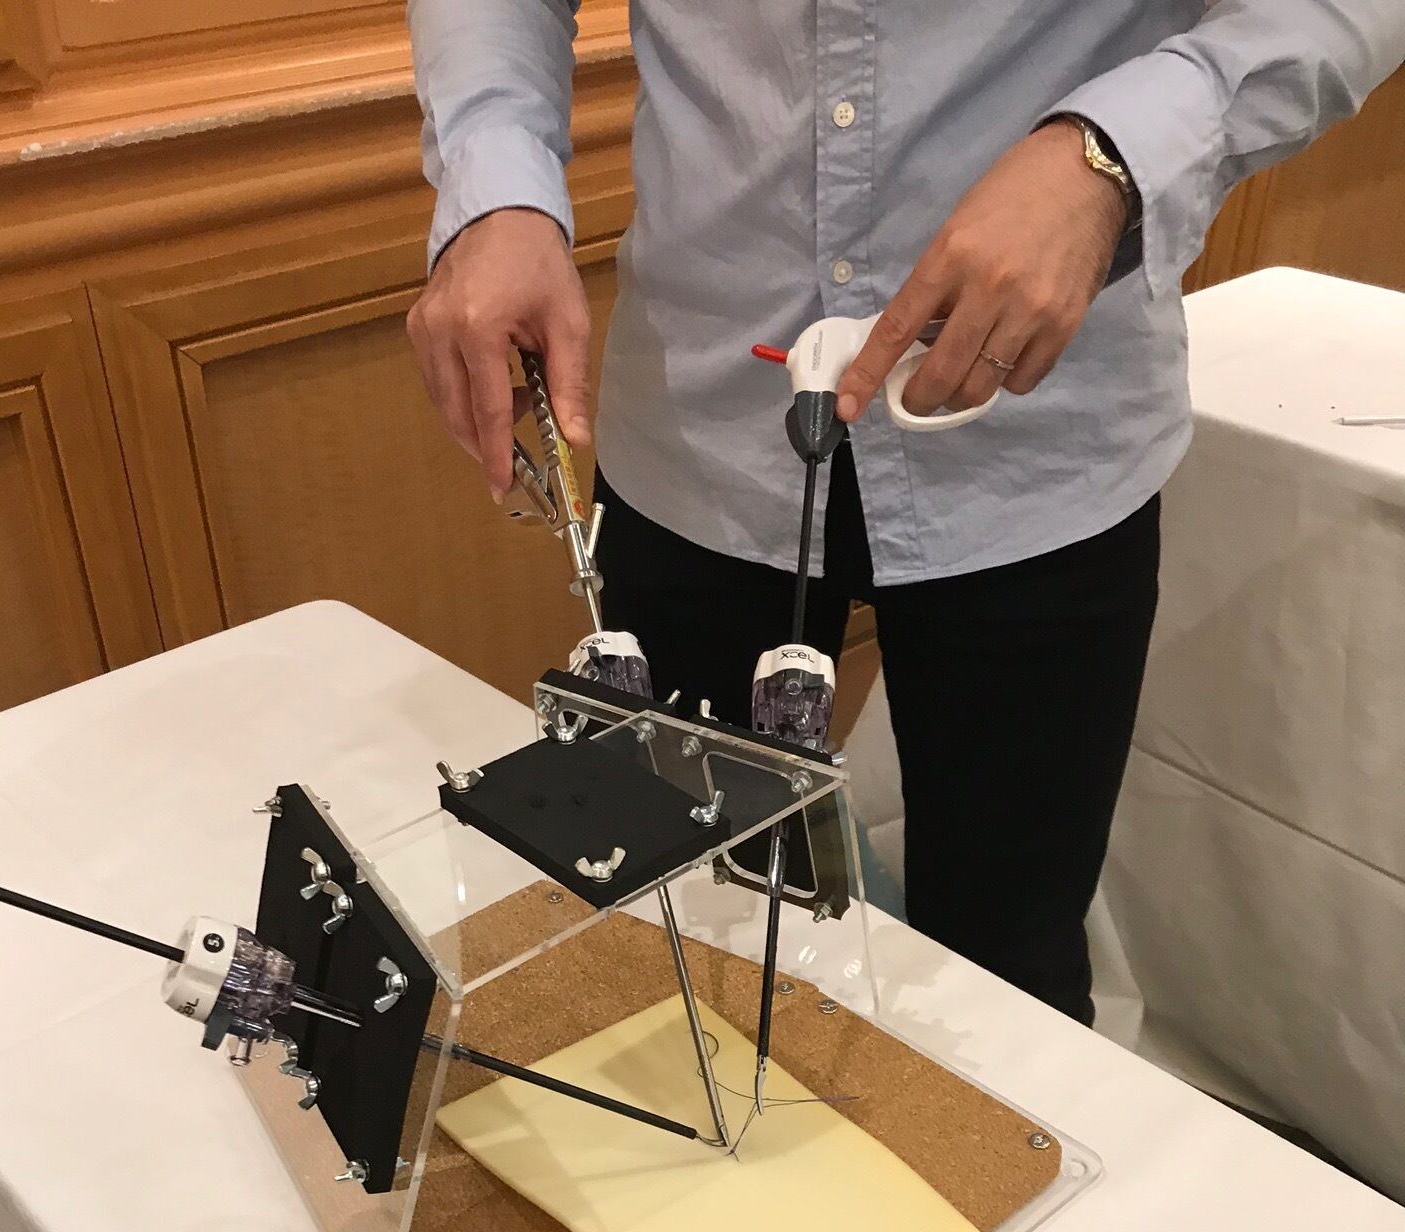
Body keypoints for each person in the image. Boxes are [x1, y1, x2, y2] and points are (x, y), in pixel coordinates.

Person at [405, 3, 1402, 1025]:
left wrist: (1112, 155)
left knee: (1013, 988)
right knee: (680, 944)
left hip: (1041, 432)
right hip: (698, 416)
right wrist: (495, 185)